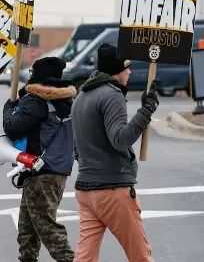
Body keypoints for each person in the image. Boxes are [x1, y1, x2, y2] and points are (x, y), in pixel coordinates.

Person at [71, 44, 159, 262]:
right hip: (112, 190)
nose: (130, 72)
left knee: (85, 258)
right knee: (140, 255)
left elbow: (76, 147)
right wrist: (146, 111)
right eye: (127, 68)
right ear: (116, 69)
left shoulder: (81, 96)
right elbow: (120, 139)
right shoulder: (112, 95)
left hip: (85, 190)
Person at [2, 57, 76, 262]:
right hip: (56, 171)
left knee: (46, 228)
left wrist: (9, 108)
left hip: (40, 172)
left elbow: (12, 128)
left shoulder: (36, 102)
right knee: (27, 228)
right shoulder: (66, 101)